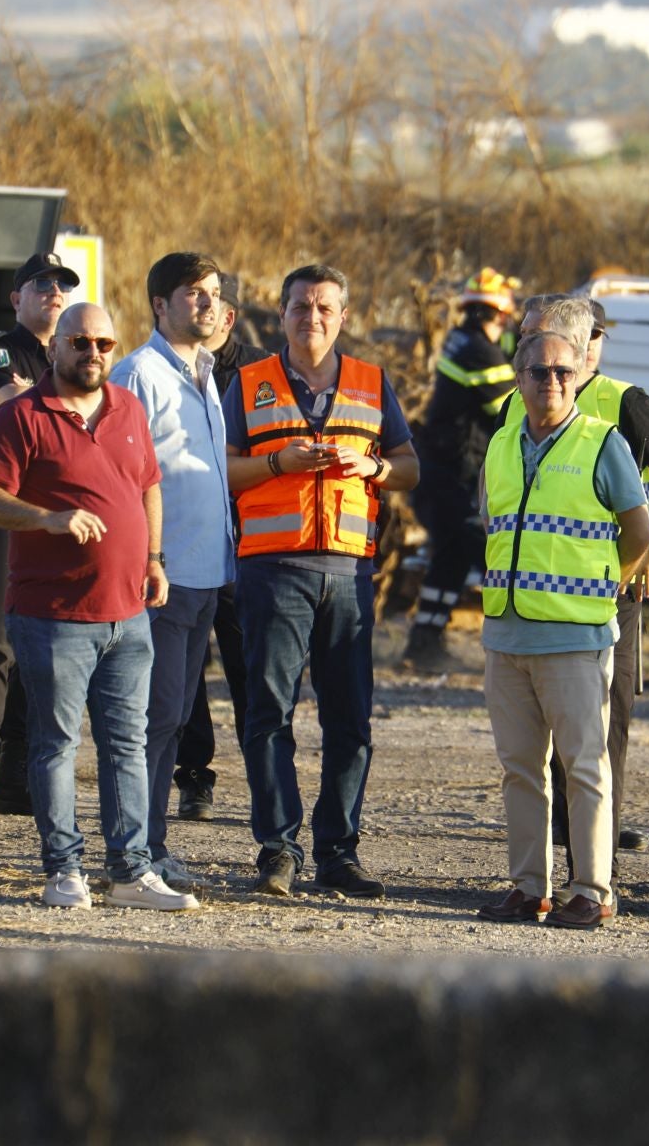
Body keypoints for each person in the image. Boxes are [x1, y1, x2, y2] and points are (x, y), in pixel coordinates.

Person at [0, 302, 198, 912]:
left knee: (127, 744)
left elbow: (146, 484)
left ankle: (129, 873)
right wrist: (49, 518)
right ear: (54, 348)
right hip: (52, 615)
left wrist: (153, 559)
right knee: (56, 744)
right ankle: (63, 869)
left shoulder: (128, 409)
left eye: (103, 344)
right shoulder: (22, 416)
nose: (92, 353)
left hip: (129, 612)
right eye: (80, 342)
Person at [224, 264, 421, 898]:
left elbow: (410, 466)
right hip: (272, 571)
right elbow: (223, 472)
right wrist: (280, 461)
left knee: (350, 720)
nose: (313, 317)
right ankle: (277, 850)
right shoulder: (248, 382)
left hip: (349, 572)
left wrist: (375, 464)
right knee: (268, 713)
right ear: (280, 315)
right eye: (301, 306)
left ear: (343, 315)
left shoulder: (371, 382)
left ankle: (340, 851)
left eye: (325, 307)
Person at [509, 295, 649, 865]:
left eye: (533, 334)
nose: (526, 349)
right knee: (534, 745)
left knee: (600, 736)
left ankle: (596, 869)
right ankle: (542, 866)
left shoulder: (623, 401)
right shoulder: (515, 399)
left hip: (607, 597)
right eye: (523, 340)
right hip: (530, 603)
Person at [473, 330, 649, 929]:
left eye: (563, 373)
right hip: (507, 634)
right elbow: (493, 525)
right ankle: (528, 888)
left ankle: (591, 891)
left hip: (576, 639)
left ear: (577, 378)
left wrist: (606, 583)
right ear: (518, 378)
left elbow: (638, 532)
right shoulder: (500, 444)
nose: (552, 381)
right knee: (519, 769)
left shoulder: (604, 443)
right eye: (539, 372)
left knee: (584, 768)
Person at [109, 252, 235, 890]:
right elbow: (118, 482)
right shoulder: (138, 375)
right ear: (160, 305)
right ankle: (133, 853)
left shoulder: (206, 375)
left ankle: (149, 845)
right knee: (148, 720)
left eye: (213, 292)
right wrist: (146, 562)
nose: (207, 304)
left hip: (205, 575)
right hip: (159, 577)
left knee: (174, 720)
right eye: (192, 294)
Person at [0, 252, 76, 818]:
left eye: (61, 286)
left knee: (44, 646)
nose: (54, 293)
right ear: (17, 298)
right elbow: (17, 408)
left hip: (60, 516)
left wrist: (46, 396)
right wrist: (55, 401)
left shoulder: (72, 353)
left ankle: (19, 776)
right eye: (42, 285)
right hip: (6, 508)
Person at [174, 292, 270, 821]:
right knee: (187, 666)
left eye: (213, 304)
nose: (203, 312)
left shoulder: (261, 371)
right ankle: (193, 776)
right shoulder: (166, 368)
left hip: (248, 537)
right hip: (189, 532)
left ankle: (264, 774)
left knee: (248, 663)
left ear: (229, 317)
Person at [403, 267, 520, 671]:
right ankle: (516, 645)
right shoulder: (479, 352)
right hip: (449, 475)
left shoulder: (462, 340)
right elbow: (512, 411)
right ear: (501, 315)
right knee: (491, 553)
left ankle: (423, 642)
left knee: (450, 558)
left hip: (443, 472)